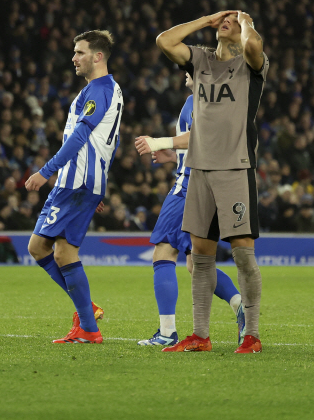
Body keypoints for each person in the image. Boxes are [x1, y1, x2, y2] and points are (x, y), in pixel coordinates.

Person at [155, 11, 268, 354]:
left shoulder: (251, 65)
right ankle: (200, 335)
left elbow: (254, 46)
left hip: (235, 167)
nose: (227, 21)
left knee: (243, 256)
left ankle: (251, 334)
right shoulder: (201, 60)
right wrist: (205, 20)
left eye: (232, 21)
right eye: (226, 18)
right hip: (200, 170)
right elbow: (165, 41)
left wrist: (245, 23)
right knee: (201, 258)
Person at [26, 30, 122, 344]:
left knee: (41, 247)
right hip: (83, 183)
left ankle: (87, 319)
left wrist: (45, 172)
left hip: (74, 181)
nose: (74, 58)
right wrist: (97, 186)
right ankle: (87, 322)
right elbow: (112, 141)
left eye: (80, 52)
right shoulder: (110, 90)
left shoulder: (98, 90)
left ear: (97, 57)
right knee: (61, 251)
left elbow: (80, 139)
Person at [134, 72, 244, 346]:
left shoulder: (201, 101)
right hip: (212, 188)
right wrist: (175, 156)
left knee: (163, 251)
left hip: (189, 188)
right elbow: (202, 146)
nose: (185, 71)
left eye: (190, 67)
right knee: (198, 264)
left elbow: (200, 136)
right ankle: (240, 304)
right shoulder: (206, 101)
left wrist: (160, 142)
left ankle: (167, 333)